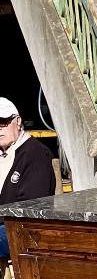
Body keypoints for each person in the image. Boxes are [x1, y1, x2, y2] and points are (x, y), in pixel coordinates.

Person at [0, 97, 56, 259]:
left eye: (3, 122)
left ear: (17, 122)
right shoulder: (3, 153)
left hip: (24, 229)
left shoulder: (35, 153)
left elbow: (30, 206)